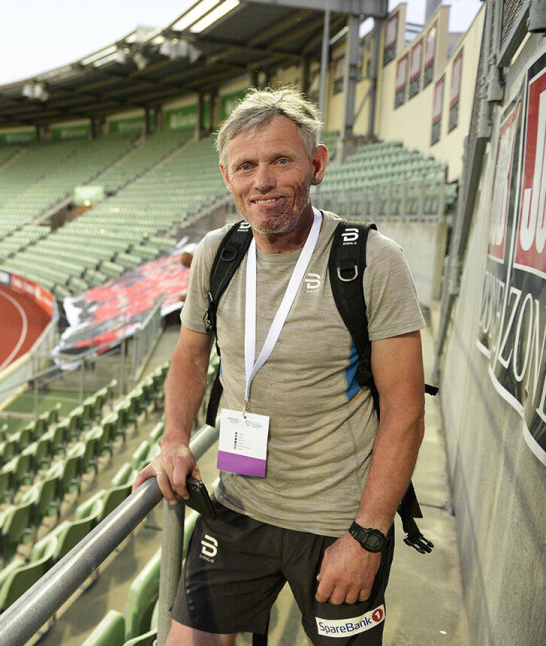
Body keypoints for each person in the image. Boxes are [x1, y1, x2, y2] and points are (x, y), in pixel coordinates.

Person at [132, 87, 426, 645]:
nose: (262, 181)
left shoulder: (371, 261)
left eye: (280, 160)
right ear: (227, 177)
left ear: (315, 165)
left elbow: (406, 409)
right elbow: (189, 357)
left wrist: (368, 535)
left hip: (337, 523)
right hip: (238, 508)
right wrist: (174, 439)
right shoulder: (216, 255)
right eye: (246, 166)